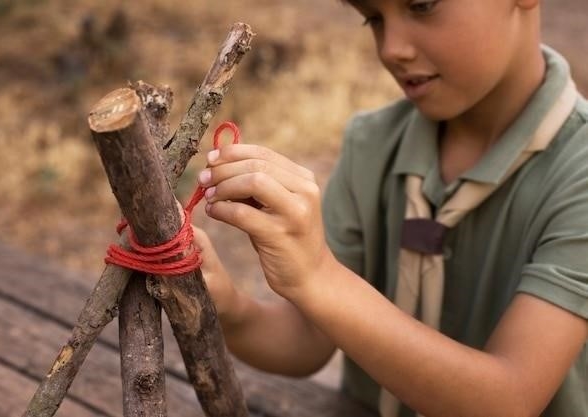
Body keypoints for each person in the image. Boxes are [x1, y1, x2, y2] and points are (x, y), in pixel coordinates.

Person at [192, 0, 588, 416]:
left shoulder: (577, 170)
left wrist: (317, 274)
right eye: (374, 19)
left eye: (422, 5)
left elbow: (508, 401)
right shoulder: (372, 144)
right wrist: (227, 306)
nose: (391, 49)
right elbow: (308, 339)